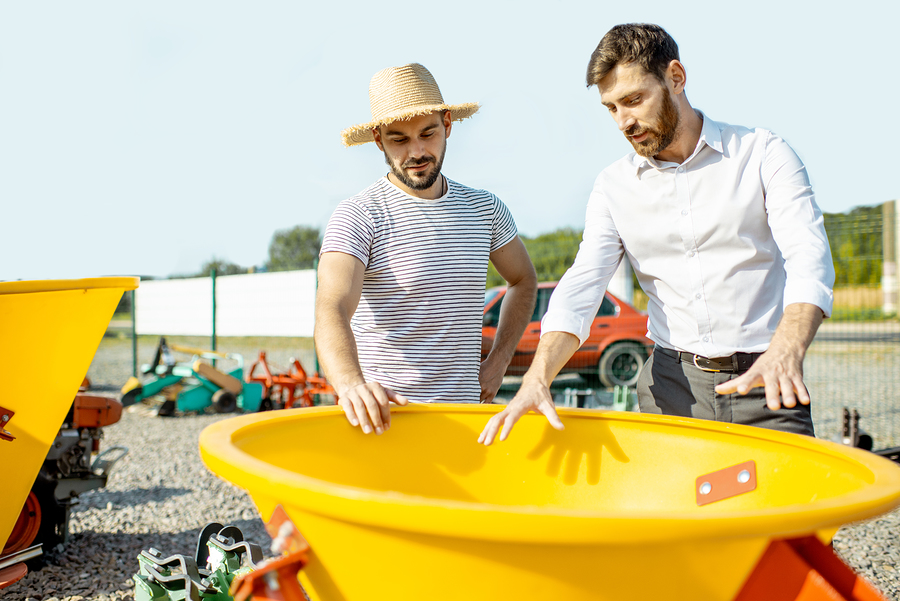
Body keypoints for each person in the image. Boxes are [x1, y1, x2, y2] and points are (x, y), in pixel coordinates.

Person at [479, 24, 834, 445]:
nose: (623, 122)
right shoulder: (613, 187)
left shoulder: (763, 154)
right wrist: (537, 377)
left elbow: (809, 258)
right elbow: (582, 286)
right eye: (611, 108)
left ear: (676, 78)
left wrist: (786, 351)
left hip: (766, 382)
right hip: (670, 390)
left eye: (633, 100)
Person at [316, 63, 537, 436]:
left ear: (447, 124)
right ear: (378, 140)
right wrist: (351, 384)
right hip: (383, 425)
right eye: (398, 139)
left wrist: (498, 361)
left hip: (466, 424)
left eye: (427, 133)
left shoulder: (485, 209)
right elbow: (331, 307)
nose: (416, 151)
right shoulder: (358, 215)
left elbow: (523, 280)